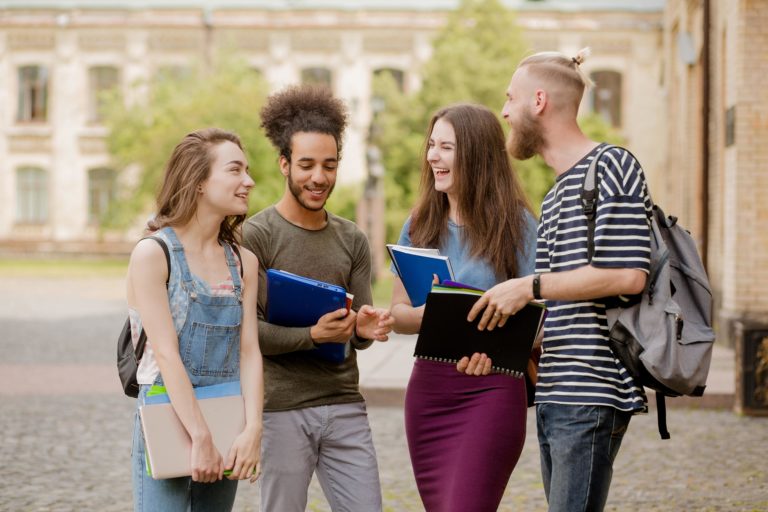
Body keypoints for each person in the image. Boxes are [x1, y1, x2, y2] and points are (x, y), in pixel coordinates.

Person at [467, 48, 652, 512]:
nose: (505, 111)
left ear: (540, 100)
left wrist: (526, 287)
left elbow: (628, 275)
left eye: (511, 99)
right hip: (554, 392)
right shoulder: (554, 196)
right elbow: (559, 311)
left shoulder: (612, 165)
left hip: (591, 392)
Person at [241, 84, 394, 512]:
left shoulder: (352, 239)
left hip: (344, 405)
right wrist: (312, 334)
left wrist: (363, 329)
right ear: (284, 164)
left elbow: (359, 334)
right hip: (280, 410)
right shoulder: (257, 235)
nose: (318, 177)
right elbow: (247, 332)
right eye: (306, 165)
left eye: (329, 165)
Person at [388, 103, 538, 512]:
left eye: (447, 147)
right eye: (431, 145)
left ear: (477, 153)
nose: (432, 156)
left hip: (492, 388)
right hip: (430, 391)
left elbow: (544, 320)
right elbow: (398, 314)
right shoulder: (419, 222)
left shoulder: (520, 226)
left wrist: (494, 344)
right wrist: (435, 313)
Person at [127, 128, 264, 511]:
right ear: (200, 182)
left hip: (226, 422)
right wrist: (200, 437)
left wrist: (253, 427)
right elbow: (166, 355)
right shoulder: (153, 255)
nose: (248, 181)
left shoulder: (243, 261)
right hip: (166, 419)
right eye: (235, 170)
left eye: (247, 171)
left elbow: (249, 352)